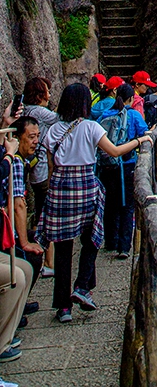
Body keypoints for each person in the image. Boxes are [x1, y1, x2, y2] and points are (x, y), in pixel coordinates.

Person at [35, 83, 153, 323]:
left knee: (63, 247)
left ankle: (63, 307)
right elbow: (115, 151)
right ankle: (82, 286)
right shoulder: (91, 127)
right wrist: (140, 141)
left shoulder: (53, 130)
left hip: (59, 188)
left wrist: (52, 192)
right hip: (85, 186)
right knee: (91, 238)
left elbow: (50, 166)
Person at [97, 83, 147, 259]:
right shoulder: (132, 114)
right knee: (127, 205)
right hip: (126, 163)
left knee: (110, 203)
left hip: (107, 165)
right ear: (131, 98)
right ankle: (124, 246)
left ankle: (110, 241)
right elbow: (144, 132)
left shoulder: (105, 114)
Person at [0, 102, 33, 366]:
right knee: (17, 274)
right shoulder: (14, 161)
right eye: (31, 137)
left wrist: (5, 122)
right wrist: (10, 156)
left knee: (23, 269)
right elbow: (17, 202)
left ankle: (7, 335)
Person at [23, 76, 59, 278]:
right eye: (47, 91)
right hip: (42, 171)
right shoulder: (38, 112)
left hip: (33, 169)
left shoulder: (26, 110)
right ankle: (47, 261)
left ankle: (43, 258)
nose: (49, 95)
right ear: (39, 94)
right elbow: (61, 118)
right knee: (46, 213)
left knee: (39, 211)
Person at [12, 117, 43, 289]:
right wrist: (24, 243)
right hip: (9, 231)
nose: (36, 141)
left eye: (37, 136)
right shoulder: (15, 162)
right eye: (31, 137)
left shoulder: (21, 160)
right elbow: (19, 205)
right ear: (17, 138)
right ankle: (19, 304)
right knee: (33, 255)